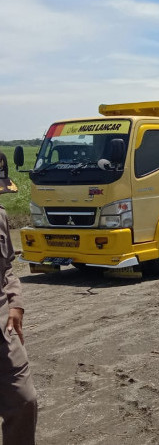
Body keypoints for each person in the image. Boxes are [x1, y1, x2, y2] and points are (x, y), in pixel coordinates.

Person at [0, 152, 38, 444]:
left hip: (3, 327)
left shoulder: (0, 215)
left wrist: (15, 302)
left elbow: (8, 265)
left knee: (24, 401)